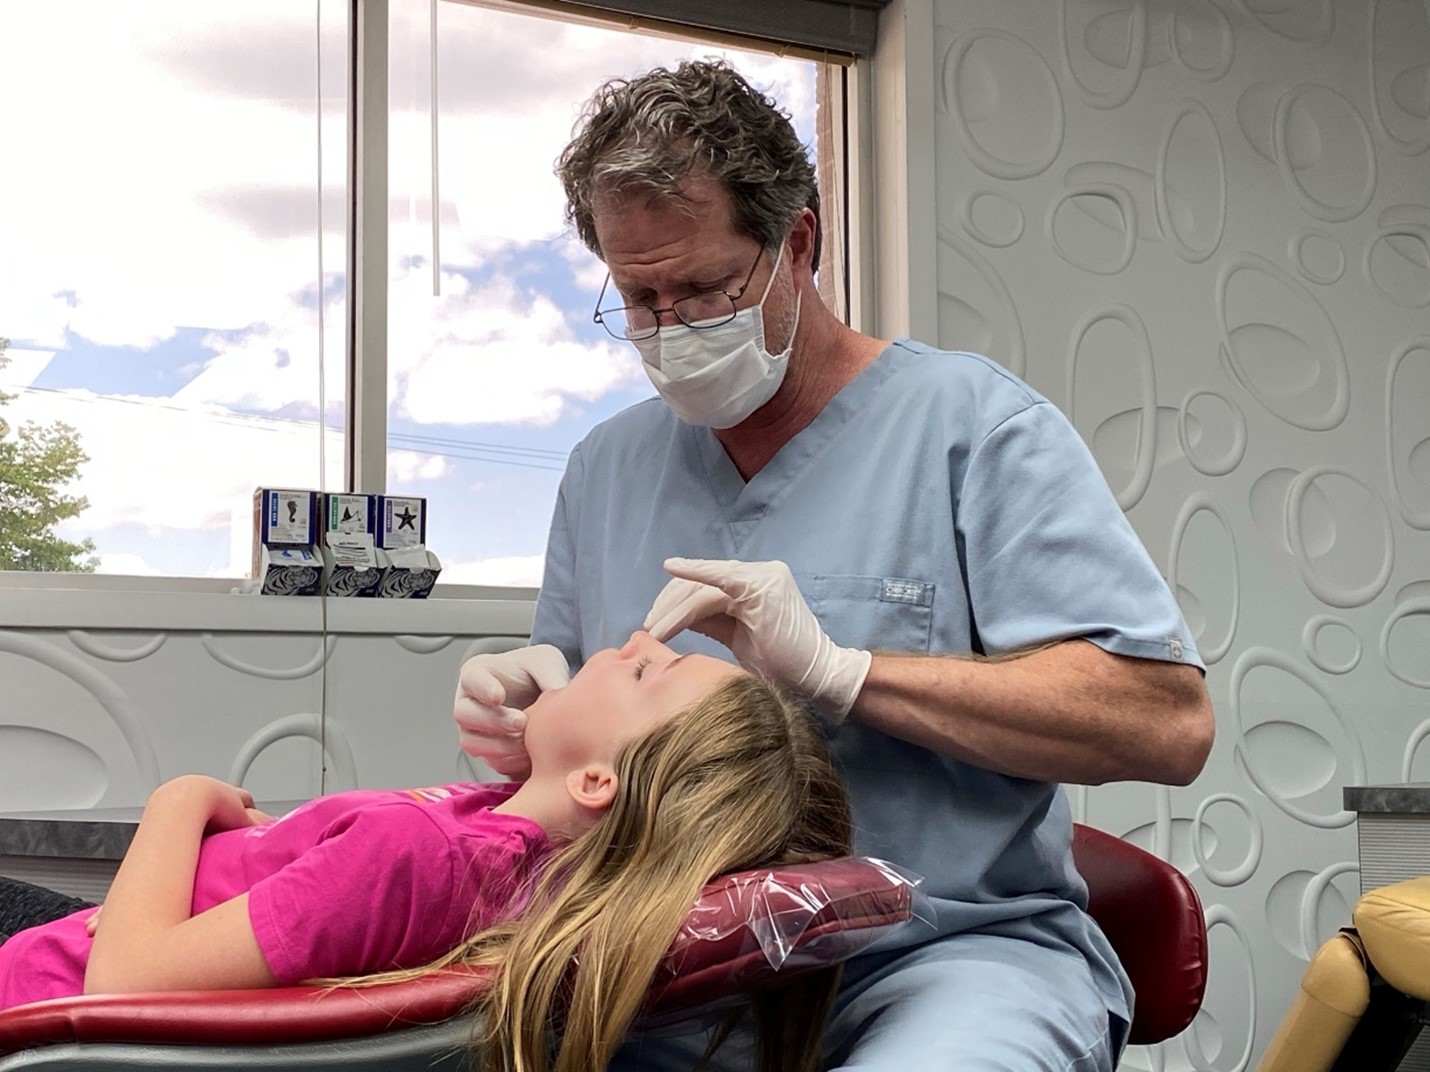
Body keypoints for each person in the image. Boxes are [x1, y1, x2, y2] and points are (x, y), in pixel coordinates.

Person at [452, 60, 1216, 1071]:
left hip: (937, 960)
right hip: (672, 977)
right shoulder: (605, 468)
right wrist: (514, 718)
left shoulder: (969, 430)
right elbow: (569, 760)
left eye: (705, 289)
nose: (672, 327)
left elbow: (1164, 722)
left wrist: (843, 672)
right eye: (640, 300)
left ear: (796, 244)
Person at [0, 633, 851, 1072]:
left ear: (597, 781)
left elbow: (125, 983)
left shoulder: (420, 856)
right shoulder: (519, 864)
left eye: (645, 676)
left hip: (44, 985)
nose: (633, 643)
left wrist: (176, 800)